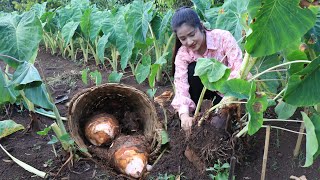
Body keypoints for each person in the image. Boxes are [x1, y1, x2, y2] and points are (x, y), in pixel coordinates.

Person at [170, 7, 243, 132]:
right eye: (183, 39)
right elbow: (181, 85)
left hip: (226, 93)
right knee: (193, 69)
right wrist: (184, 115)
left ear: (201, 27)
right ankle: (198, 117)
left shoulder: (223, 38)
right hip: (201, 99)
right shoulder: (183, 53)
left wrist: (224, 103)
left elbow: (239, 69)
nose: (189, 41)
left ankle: (222, 118)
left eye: (192, 35)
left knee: (220, 127)